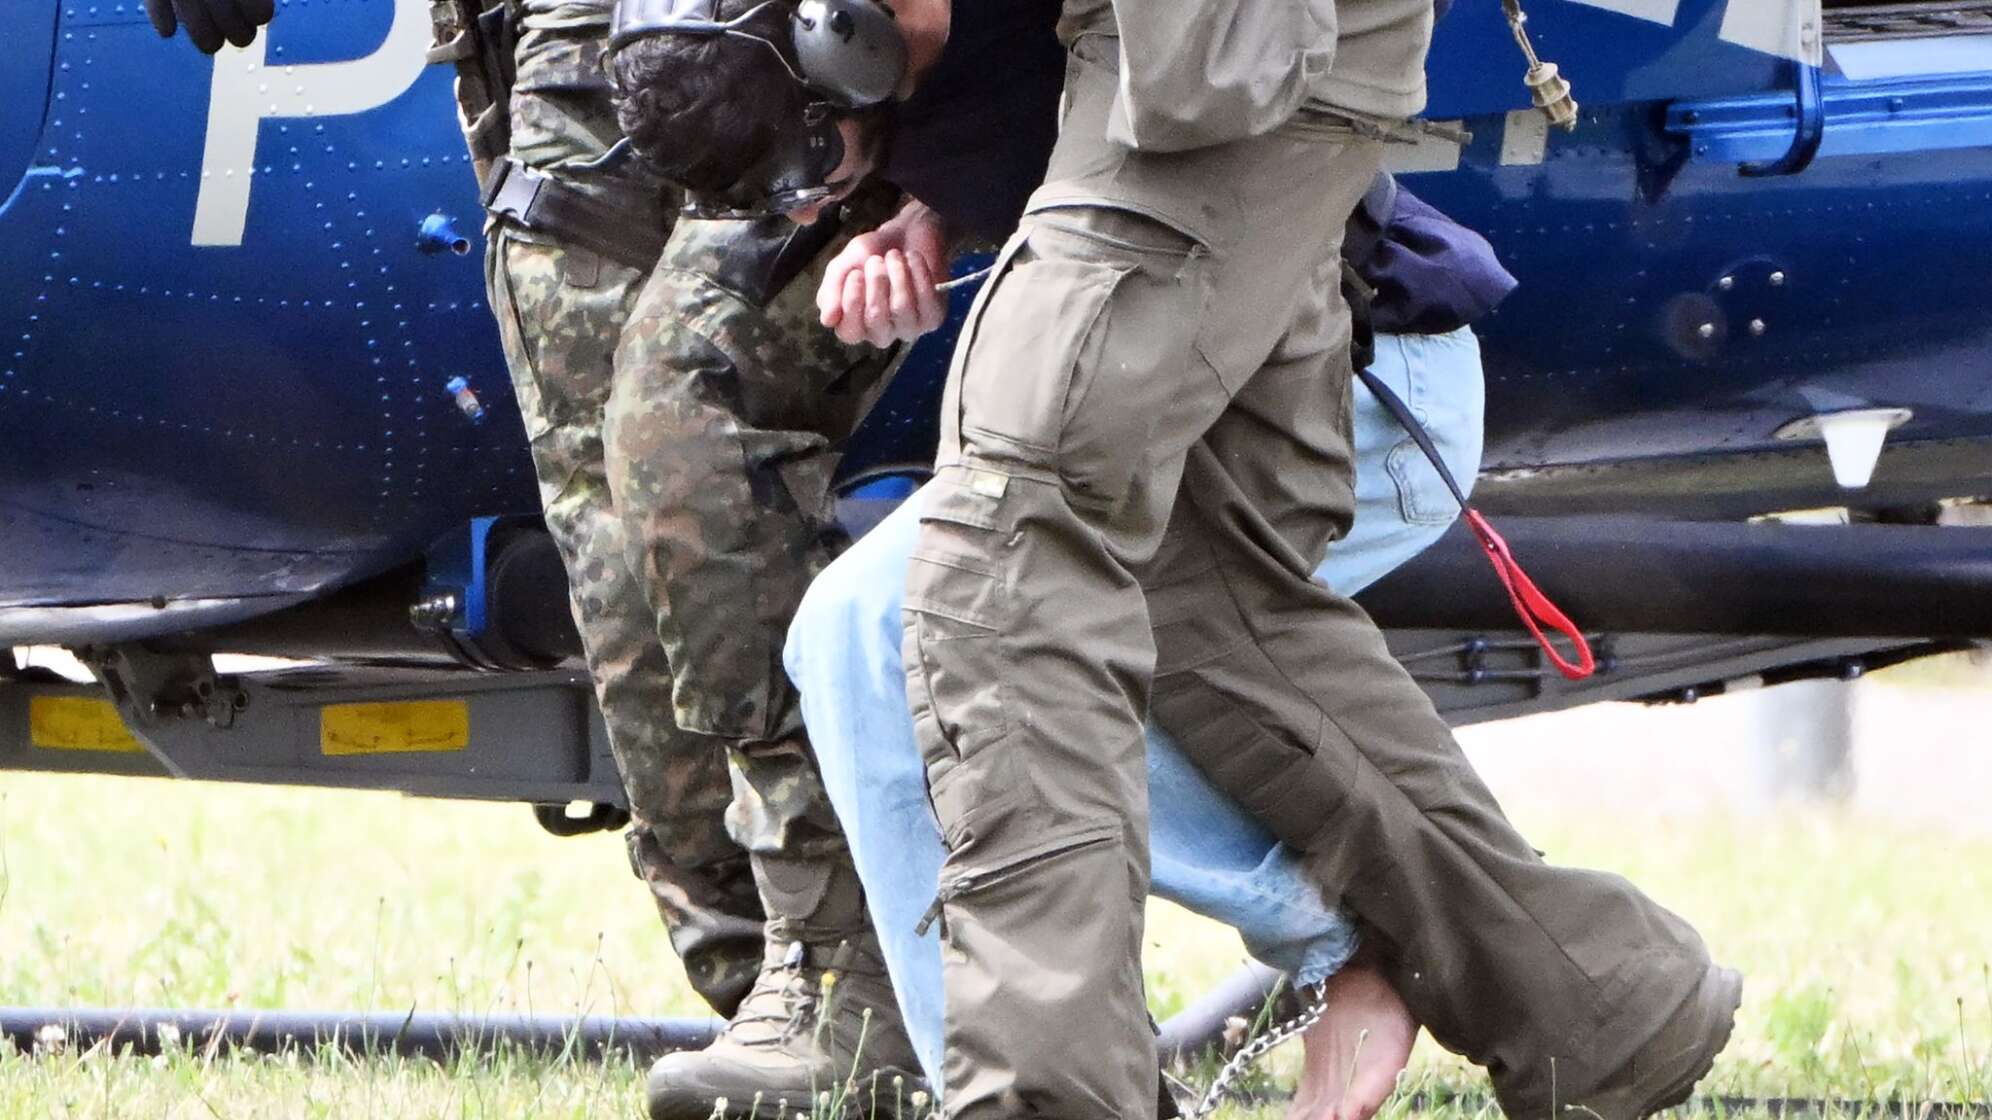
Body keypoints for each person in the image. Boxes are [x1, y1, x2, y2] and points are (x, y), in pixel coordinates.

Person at [613, 0, 1743, 1118]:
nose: (816, 189)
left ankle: (1200, 1016)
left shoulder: (1094, 54)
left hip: (1384, 391)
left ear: (843, 39)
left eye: (814, 145)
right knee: (1084, 606)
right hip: (1238, 365)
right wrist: (930, 217)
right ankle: (1592, 994)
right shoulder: (973, 89)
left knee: (976, 577)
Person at [139, 0, 929, 1102]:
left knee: (685, 426)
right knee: (613, 551)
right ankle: (787, 992)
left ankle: (858, 972)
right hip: (557, 51)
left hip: (770, 32)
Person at [783, 173, 1500, 1120]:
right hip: (1150, 403)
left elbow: (1150, 124)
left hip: (1343, 395)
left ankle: (1359, 931)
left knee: (895, 626)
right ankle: (1022, 1092)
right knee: (856, 631)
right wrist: (929, 216)